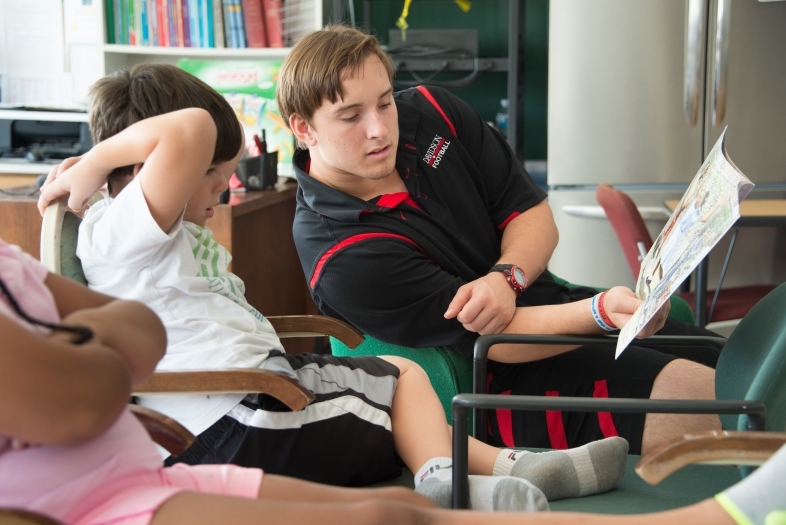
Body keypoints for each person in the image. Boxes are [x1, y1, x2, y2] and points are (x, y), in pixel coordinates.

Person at [36, 62, 633, 511]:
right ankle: (461, 479)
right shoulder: (121, 229)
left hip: (256, 396)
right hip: (238, 420)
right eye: (213, 175)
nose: (224, 188)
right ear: (146, 168)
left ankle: (490, 469)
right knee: (399, 394)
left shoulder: (155, 234)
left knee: (403, 376)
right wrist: (96, 161)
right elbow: (190, 128)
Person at [2, 236, 783, 525]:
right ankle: (710, 517)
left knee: (402, 506)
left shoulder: (13, 269)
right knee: (391, 486)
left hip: (143, 468)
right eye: (356, 112)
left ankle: (462, 471)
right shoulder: (340, 240)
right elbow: (96, 388)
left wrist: (87, 343)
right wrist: (95, 341)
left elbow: (142, 331)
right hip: (112, 493)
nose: (383, 128)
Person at [277, 25, 723, 457]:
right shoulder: (340, 254)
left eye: (385, 102)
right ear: (304, 129)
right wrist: (601, 313)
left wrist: (505, 279)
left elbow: (531, 214)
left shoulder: (432, 110)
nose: (380, 129)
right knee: (731, 407)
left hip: (557, 309)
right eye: (352, 116)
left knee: (744, 369)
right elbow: (491, 340)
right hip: (504, 385)